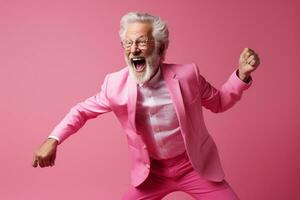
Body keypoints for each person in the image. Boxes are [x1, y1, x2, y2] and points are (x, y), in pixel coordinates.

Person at [32, 12, 260, 200]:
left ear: (160, 50)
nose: (134, 49)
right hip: (153, 174)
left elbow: (219, 102)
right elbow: (81, 111)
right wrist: (53, 139)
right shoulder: (115, 85)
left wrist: (241, 76)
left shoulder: (188, 75)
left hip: (193, 167)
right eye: (128, 43)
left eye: (142, 42)